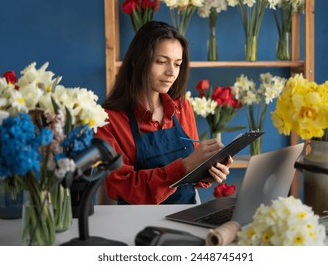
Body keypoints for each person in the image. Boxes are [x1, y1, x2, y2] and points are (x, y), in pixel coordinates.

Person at [95, 21, 232, 205]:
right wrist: (184, 167)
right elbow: (123, 187)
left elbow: (191, 176)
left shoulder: (182, 107)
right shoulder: (107, 120)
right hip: (135, 224)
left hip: (184, 216)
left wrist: (207, 172)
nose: (171, 72)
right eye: (161, 62)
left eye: (177, 64)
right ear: (137, 61)